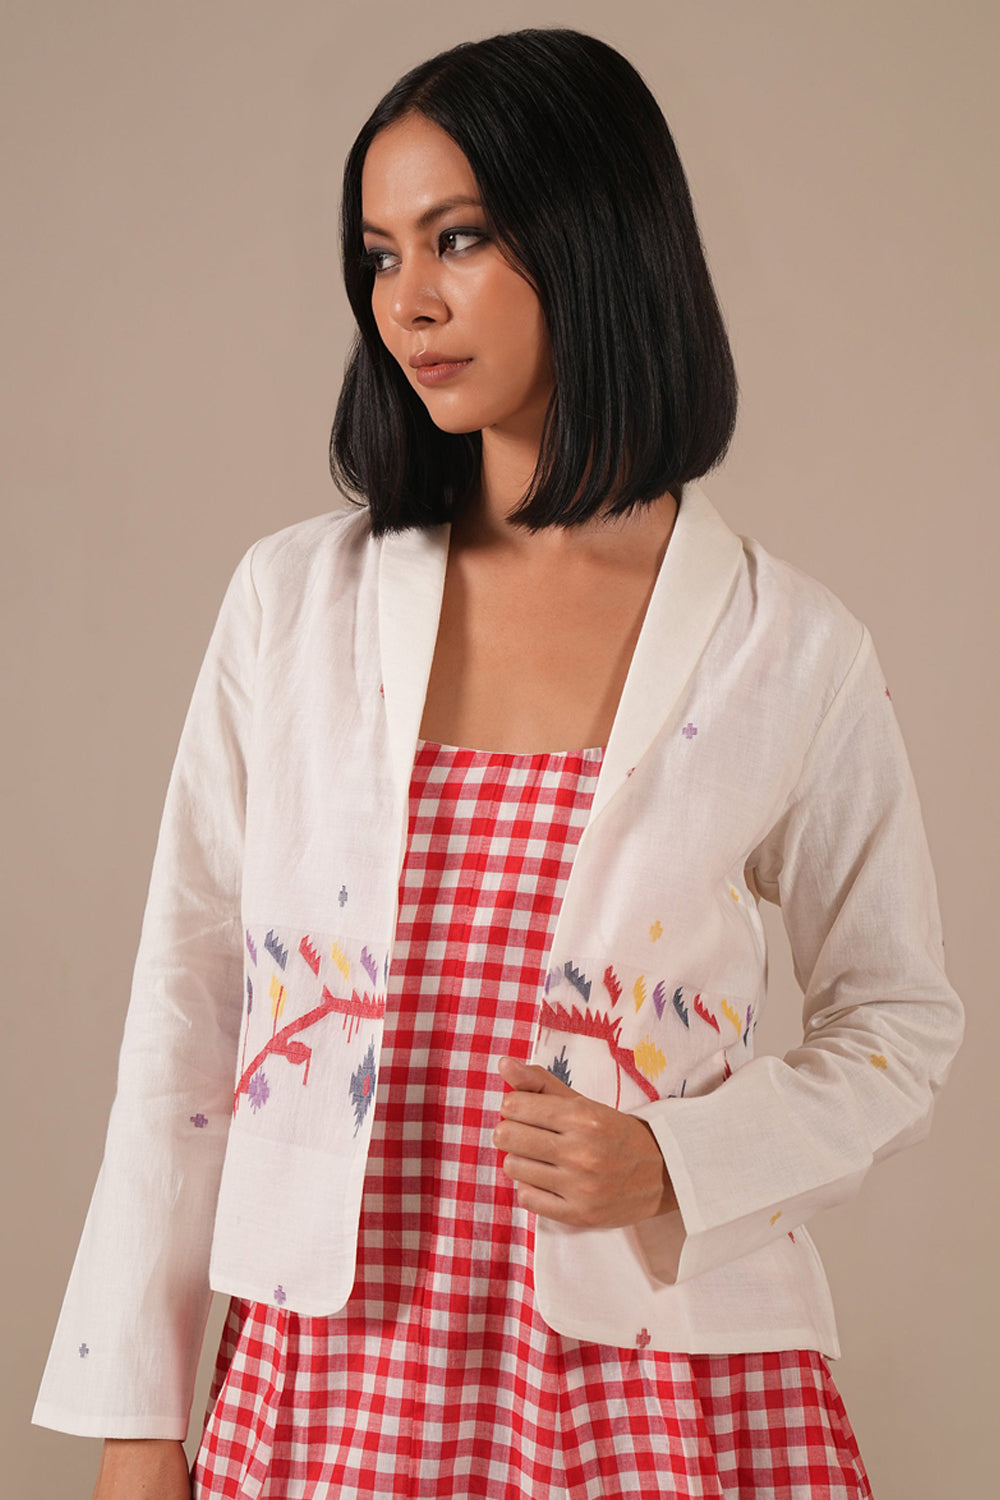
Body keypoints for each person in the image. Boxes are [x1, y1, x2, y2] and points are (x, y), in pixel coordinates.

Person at [34, 27, 963, 1499]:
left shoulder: (789, 650)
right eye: (380, 255)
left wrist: (678, 1162)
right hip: (332, 1386)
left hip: (657, 1389)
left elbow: (899, 1021)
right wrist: (138, 1421)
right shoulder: (294, 606)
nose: (408, 299)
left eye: (457, 238)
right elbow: (186, 1014)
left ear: (596, 235)